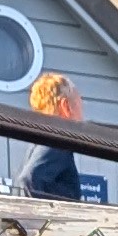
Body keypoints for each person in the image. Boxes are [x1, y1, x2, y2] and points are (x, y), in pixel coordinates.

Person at [20, 73, 102, 207]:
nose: (82, 114)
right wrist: (48, 213)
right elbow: (29, 179)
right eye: (79, 104)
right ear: (66, 106)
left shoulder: (39, 139)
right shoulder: (57, 140)